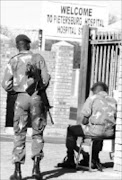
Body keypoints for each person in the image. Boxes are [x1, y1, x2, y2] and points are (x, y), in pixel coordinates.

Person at [2, 34, 50, 180]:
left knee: (19, 132)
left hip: (20, 99)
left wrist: (15, 89)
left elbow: (5, 84)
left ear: (18, 46)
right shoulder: (38, 58)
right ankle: (36, 169)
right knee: (37, 132)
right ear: (29, 45)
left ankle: (17, 171)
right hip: (37, 98)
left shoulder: (14, 60)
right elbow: (46, 80)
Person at [57, 82, 117, 170]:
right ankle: (94, 158)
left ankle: (70, 158)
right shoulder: (113, 100)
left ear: (95, 91)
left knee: (71, 130)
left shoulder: (92, 98)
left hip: (96, 131)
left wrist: (89, 122)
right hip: (110, 132)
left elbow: (84, 121)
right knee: (98, 134)